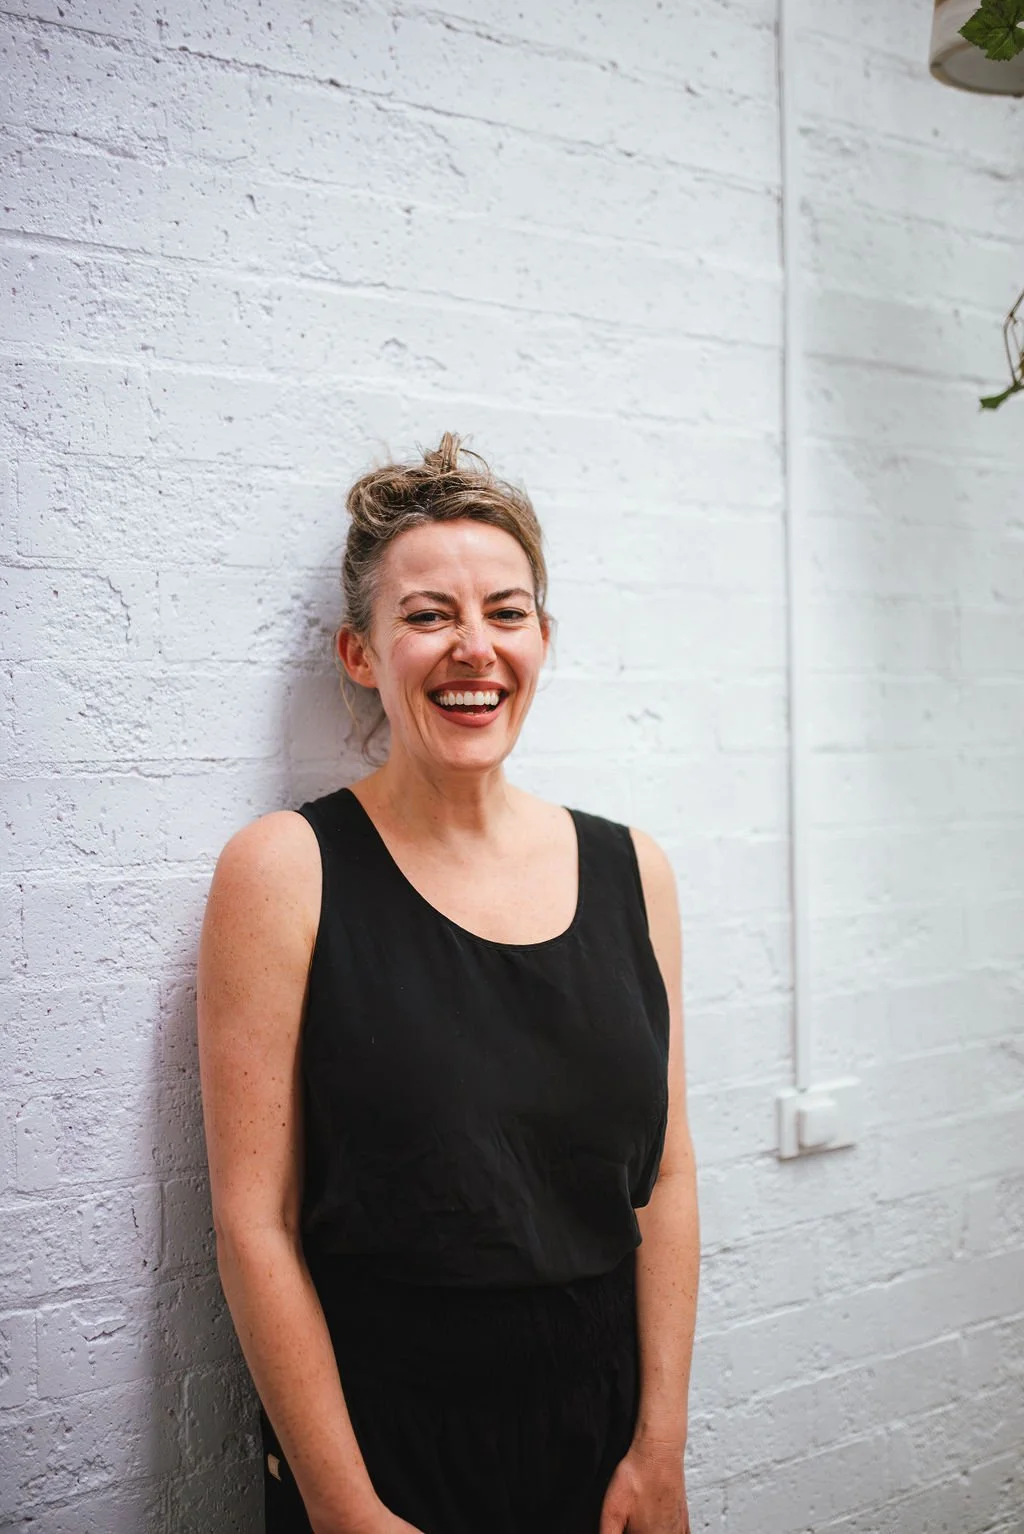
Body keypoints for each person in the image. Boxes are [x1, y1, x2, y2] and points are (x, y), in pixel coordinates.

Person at [197, 433, 700, 1534]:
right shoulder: (285, 869)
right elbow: (254, 1222)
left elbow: (662, 1176)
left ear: (542, 638)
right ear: (360, 652)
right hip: (382, 1449)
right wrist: (345, 1508)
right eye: (428, 615)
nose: (475, 648)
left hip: (601, 1435)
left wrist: (659, 1447)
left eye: (506, 612)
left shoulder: (635, 870)